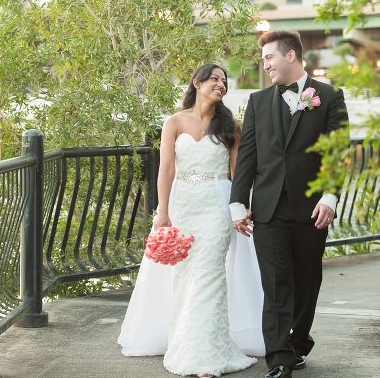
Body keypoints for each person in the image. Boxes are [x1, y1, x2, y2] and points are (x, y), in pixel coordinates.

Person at [118, 63, 264, 377]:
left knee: (209, 276)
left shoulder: (231, 127)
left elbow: (238, 175)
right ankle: (185, 343)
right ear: (196, 82)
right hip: (183, 207)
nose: (220, 84)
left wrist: (240, 208)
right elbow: (166, 170)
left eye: (224, 81)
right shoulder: (174, 122)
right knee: (185, 280)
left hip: (216, 206)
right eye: (214, 78)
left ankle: (205, 356)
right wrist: (163, 213)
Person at [229, 30, 349, 378]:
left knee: (307, 281)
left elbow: (338, 152)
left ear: (291, 56)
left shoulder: (327, 96)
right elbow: (247, 155)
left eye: (269, 57)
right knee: (276, 283)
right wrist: (238, 202)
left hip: (312, 209)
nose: (265, 65)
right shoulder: (258, 101)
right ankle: (279, 357)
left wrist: (330, 196)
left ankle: (298, 343)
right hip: (267, 209)